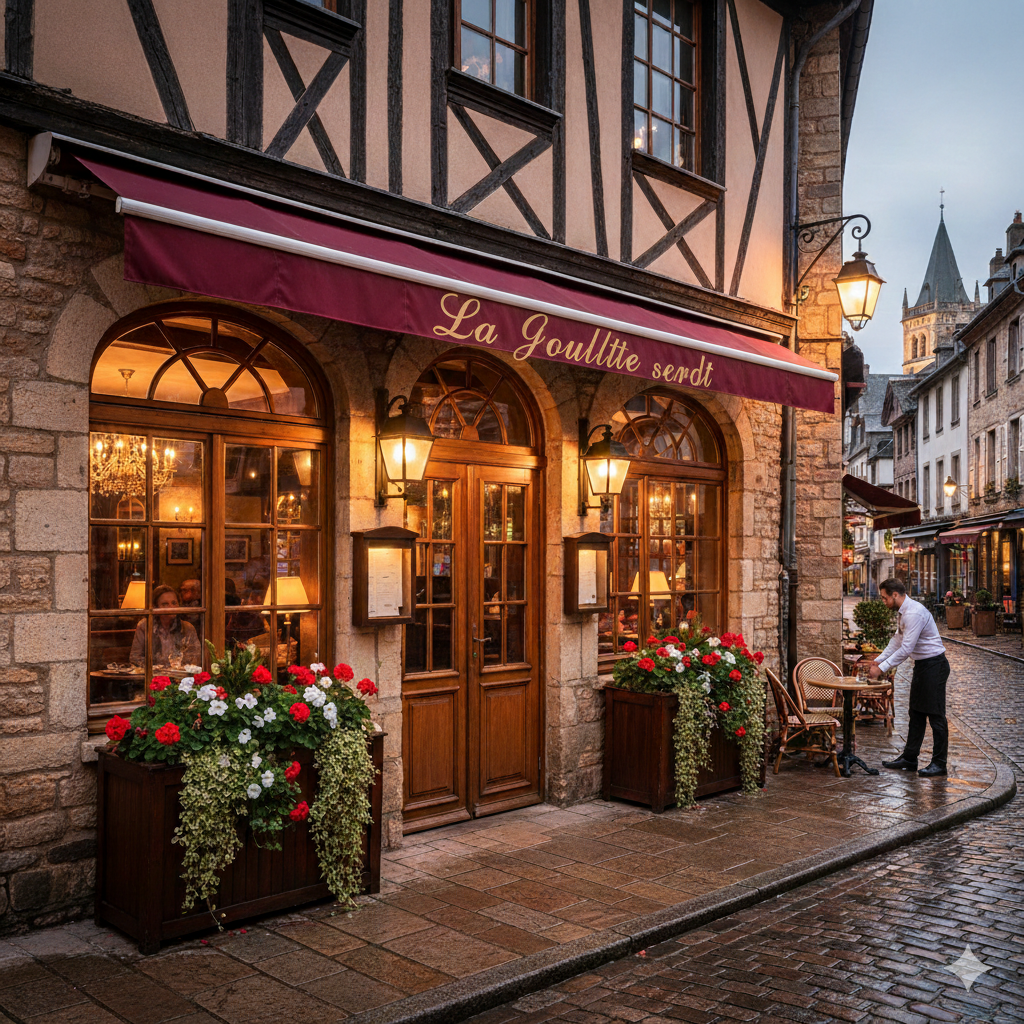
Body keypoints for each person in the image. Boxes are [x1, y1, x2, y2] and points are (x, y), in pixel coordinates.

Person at [866, 577, 949, 777]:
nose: (884, 602)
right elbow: (897, 640)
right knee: (916, 713)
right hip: (922, 666)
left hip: (935, 665)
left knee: (936, 716)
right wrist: (878, 660)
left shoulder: (914, 613)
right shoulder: (903, 613)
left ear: (895, 595)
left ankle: (940, 763)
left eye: (885, 598)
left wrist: (882, 668)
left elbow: (905, 649)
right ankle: (909, 758)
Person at [130, 584, 202, 669]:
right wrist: (157, 669)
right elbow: (135, 658)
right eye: (165, 604)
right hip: (153, 677)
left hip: (179, 678)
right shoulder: (144, 626)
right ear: (155, 607)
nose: (171, 607)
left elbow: (195, 659)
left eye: (174, 603)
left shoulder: (187, 628)